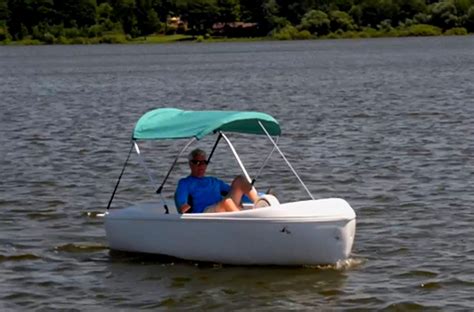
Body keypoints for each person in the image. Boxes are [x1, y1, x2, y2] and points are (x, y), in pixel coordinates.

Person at [175, 148, 259, 213]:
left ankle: (260, 203)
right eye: (197, 162)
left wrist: (261, 195)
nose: (201, 166)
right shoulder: (185, 182)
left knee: (240, 180)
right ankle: (246, 224)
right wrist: (183, 205)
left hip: (221, 208)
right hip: (204, 214)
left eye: (204, 162)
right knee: (227, 202)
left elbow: (235, 192)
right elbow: (181, 199)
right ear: (190, 164)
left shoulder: (213, 181)